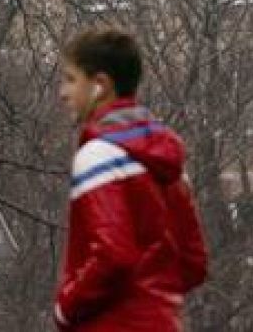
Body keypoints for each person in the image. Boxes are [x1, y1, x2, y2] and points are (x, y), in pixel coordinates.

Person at [55, 27, 207, 331]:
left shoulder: (99, 155)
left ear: (100, 85)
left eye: (71, 79)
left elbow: (113, 255)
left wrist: (66, 308)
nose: (63, 92)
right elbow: (193, 263)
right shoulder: (166, 163)